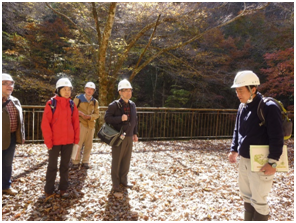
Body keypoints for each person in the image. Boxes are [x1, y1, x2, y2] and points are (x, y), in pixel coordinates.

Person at [228, 70, 284, 221]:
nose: (238, 94)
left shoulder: (269, 107)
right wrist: (234, 149)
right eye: (236, 90)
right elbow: (237, 129)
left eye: (240, 90)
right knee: (247, 197)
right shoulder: (242, 106)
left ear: (253, 89)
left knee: (259, 201)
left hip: (261, 161)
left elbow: (277, 137)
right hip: (244, 160)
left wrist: (272, 162)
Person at [41, 77, 80, 198]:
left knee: (65, 166)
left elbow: (76, 123)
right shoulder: (51, 103)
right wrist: (48, 141)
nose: (67, 92)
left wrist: (76, 140)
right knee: (52, 166)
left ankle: (63, 189)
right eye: (64, 89)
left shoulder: (72, 104)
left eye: (69, 89)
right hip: (54, 141)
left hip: (68, 141)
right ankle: (49, 190)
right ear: (58, 90)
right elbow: (45, 124)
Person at [104, 79, 138, 192]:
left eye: (130, 90)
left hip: (129, 136)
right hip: (118, 136)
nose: (128, 92)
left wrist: (135, 133)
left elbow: (134, 120)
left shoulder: (132, 105)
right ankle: (115, 183)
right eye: (125, 90)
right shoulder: (114, 105)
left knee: (126, 160)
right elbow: (106, 118)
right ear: (120, 92)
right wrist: (120, 118)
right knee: (117, 160)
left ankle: (124, 180)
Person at [2, 73, 25, 196]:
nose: (9, 86)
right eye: (4, 83)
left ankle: (5, 186)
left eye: (11, 83)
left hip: (10, 137)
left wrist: (21, 136)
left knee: (7, 163)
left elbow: (19, 120)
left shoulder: (15, 100)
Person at [71, 82, 99, 169]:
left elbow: (97, 114)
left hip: (90, 125)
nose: (89, 90)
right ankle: (75, 162)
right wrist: (79, 114)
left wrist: (89, 117)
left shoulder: (95, 102)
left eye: (91, 89)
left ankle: (85, 161)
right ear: (84, 89)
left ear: (94, 91)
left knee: (89, 145)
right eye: (88, 88)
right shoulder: (78, 98)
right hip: (80, 124)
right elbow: (71, 110)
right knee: (77, 144)